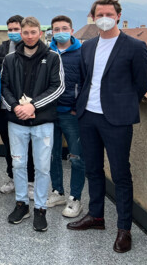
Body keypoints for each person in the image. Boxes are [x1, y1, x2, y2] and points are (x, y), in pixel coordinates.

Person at [67, 0, 147, 254]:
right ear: (93, 16)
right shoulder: (88, 45)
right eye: (99, 13)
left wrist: (123, 104)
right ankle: (96, 217)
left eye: (109, 13)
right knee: (93, 168)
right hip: (88, 116)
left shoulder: (135, 46)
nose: (104, 17)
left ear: (118, 15)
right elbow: (84, 78)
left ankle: (124, 228)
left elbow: (141, 84)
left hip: (116, 119)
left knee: (121, 173)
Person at [1, 16, 64, 232]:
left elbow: (58, 87)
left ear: (40, 33)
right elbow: (3, 86)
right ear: (22, 34)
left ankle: (40, 208)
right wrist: (14, 106)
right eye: (25, 32)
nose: (29, 36)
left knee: (42, 167)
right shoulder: (10, 58)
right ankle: (21, 204)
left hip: (43, 122)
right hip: (17, 121)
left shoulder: (52, 57)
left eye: (33, 32)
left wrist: (33, 106)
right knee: (18, 164)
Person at [45, 15, 85, 218]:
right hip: (50, 113)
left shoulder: (82, 53)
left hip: (71, 113)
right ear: (51, 31)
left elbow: (87, 82)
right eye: (56, 28)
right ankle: (58, 192)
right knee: (52, 156)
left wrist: (78, 107)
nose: (60, 31)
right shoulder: (47, 52)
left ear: (71, 30)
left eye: (64, 28)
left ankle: (75, 198)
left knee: (77, 157)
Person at [0, 15, 35, 197]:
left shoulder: (33, 50)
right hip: (5, 107)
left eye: (16, 29)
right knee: (10, 146)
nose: (13, 33)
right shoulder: (2, 49)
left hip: (28, 107)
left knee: (30, 148)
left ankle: (31, 182)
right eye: (10, 29)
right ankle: (12, 178)